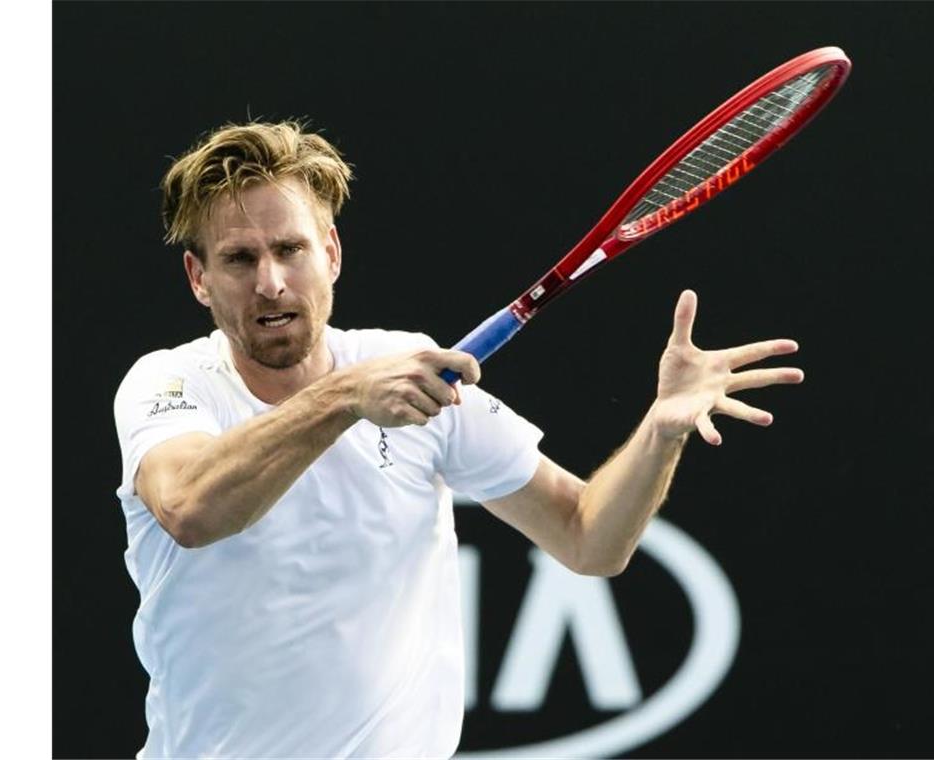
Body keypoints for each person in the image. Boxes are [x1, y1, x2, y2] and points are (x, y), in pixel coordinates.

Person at [113, 119, 804, 758]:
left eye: (291, 249)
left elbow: (589, 537)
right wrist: (346, 396)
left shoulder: (412, 370)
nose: (270, 282)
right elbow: (190, 510)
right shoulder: (169, 384)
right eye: (238, 259)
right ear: (199, 279)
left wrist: (660, 431)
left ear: (331, 253)